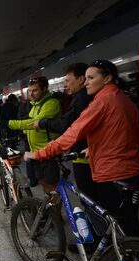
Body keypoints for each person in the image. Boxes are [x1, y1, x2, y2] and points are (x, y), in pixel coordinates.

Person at [24, 60, 139, 236]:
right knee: (129, 222)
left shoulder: (101, 103)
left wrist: (39, 154)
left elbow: (72, 134)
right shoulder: (124, 99)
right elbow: (122, 132)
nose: (86, 82)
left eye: (91, 77)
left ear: (107, 79)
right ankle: (132, 260)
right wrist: (95, 147)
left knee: (115, 223)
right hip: (134, 170)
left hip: (113, 173)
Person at [34, 63, 97, 200]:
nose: (65, 84)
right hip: (90, 152)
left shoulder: (82, 99)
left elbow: (68, 126)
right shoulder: (89, 98)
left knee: (89, 199)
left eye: (68, 80)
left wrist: (42, 124)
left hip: (84, 155)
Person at [0, 76, 62, 194]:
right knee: (44, 183)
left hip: (49, 151)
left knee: (52, 186)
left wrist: (9, 124)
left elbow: (32, 123)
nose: (31, 94)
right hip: (37, 152)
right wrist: (23, 133)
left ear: (44, 89)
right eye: (29, 90)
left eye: (35, 90)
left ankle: (56, 212)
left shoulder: (51, 104)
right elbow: (29, 125)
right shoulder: (35, 105)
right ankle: (51, 209)